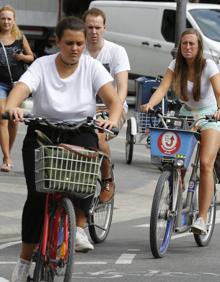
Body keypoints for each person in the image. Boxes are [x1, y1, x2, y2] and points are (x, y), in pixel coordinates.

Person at [5, 16, 122, 281]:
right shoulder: (42, 65)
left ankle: (77, 226)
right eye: (69, 43)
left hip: (79, 129)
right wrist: (12, 105)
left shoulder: (92, 67)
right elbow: (21, 89)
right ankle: (24, 261)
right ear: (58, 42)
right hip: (43, 130)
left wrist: (112, 120)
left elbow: (113, 101)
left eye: (80, 43)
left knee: (82, 182)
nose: (75, 48)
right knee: (36, 196)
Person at [140, 28, 220, 235]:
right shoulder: (176, 65)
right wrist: (150, 104)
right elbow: (162, 88)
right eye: (184, 43)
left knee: (205, 163)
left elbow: (219, 92)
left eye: (192, 44)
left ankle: (201, 218)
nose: (187, 47)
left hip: (210, 115)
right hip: (186, 114)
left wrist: (219, 110)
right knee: (176, 160)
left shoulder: (208, 65)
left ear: (199, 46)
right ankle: (176, 193)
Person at [82, 8, 130, 202]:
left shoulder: (116, 51)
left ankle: (107, 179)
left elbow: (122, 87)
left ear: (104, 28)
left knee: (98, 135)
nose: (94, 32)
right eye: (90, 27)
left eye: (97, 28)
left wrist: (113, 115)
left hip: (110, 108)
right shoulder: (78, 49)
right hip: (82, 109)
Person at [0, 5, 34, 172]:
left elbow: (31, 57)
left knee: (14, 120)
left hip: (16, 84)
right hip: (0, 83)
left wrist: (22, 57)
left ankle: (8, 153)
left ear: (13, 21)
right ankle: (6, 158)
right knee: (2, 117)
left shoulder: (20, 37)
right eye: (3, 18)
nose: (6, 21)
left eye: (9, 18)